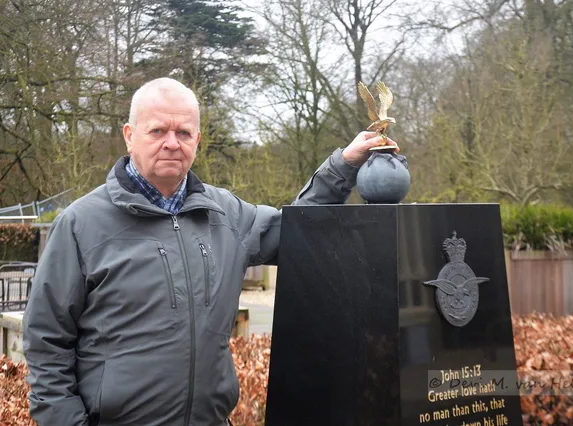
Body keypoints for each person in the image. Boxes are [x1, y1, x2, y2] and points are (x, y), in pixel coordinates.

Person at [22, 77, 398, 426]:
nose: (172, 142)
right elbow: (46, 341)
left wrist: (344, 164)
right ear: (129, 136)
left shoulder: (226, 213)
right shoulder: (80, 225)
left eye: (183, 132)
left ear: (197, 139)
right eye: (158, 131)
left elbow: (298, 231)